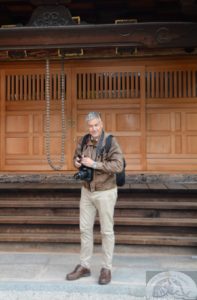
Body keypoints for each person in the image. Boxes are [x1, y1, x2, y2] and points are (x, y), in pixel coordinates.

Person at [66, 111, 124, 285]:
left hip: (105, 191)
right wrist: (76, 162)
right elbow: (76, 157)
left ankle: (106, 268)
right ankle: (85, 266)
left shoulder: (110, 141)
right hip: (87, 191)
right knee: (85, 229)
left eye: (96, 125)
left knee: (106, 231)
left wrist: (95, 164)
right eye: (90, 126)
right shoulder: (84, 140)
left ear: (101, 123)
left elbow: (118, 165)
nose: (93, 128)